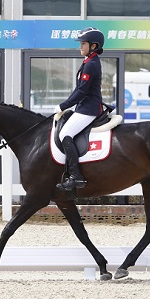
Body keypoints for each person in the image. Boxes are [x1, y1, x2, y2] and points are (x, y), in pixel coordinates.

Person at [54, 27, 104, 191]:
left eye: (83, 44)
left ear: (93, 46)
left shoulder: (91, 64)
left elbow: (82, 91)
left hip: (88, 108)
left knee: (64, 134)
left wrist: (63, 106)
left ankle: (76, 176)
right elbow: (78, 89)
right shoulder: (89, 61)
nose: (80, 46)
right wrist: (66, 104)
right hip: (84, 106)